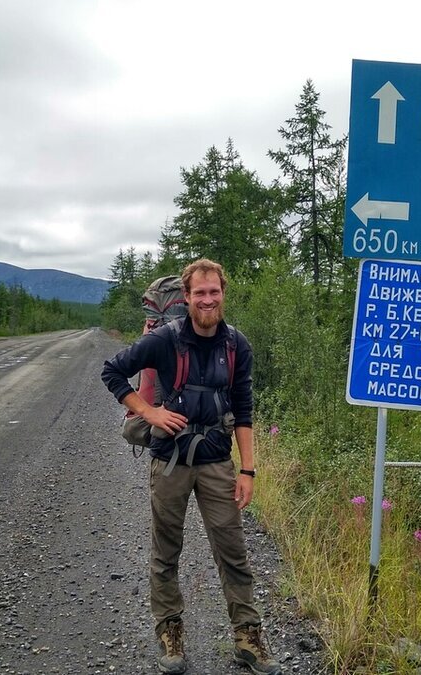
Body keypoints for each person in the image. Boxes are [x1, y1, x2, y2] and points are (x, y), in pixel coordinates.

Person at [101, 259, 282, 675]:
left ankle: (248, 639)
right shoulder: (164, 340)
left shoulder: (237, 345)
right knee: (166, 552)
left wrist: (248, 470)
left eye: (213, 292)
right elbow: (112, 371)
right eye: (199, 293)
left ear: (223, 294)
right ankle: (170, 634)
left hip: (217, 461)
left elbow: (243, 409)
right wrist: (149, 412)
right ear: (186, 297)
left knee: (233, 552)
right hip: (170, 462)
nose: (207, 299)